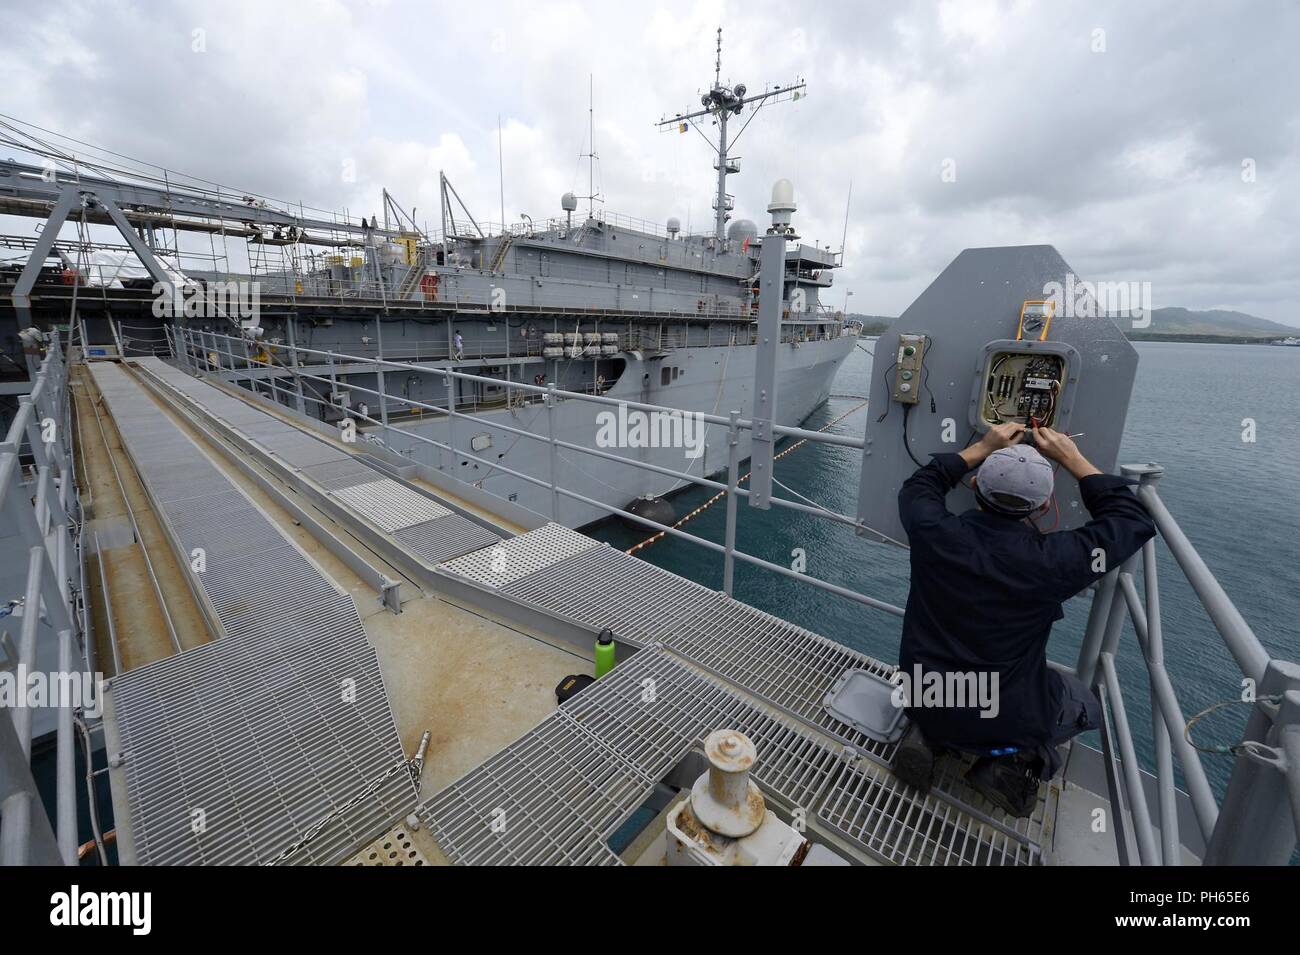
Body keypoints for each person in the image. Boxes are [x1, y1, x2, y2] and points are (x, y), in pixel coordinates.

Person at [891, 423, 1155, 816]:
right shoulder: (1053, 562)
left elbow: (920, 486)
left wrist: (983, 446)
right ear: (1045, 506)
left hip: (923, 693)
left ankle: (927, 735)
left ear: (976, 484)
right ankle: (1007, 763)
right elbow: (1131, 522)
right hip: (1000, 716)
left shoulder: (933, 533)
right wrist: (1072, 457)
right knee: (1084, 702)